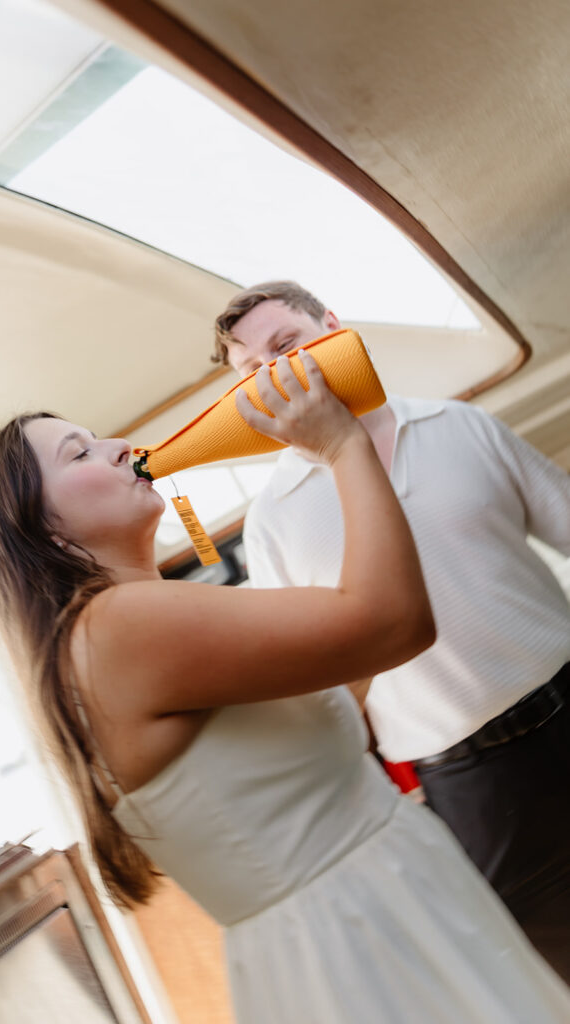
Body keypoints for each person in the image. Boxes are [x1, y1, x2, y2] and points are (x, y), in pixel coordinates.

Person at [0, 355, 570, 1022]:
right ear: (43, 530)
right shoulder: (115, 626)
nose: (120, 449)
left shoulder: (135, 623)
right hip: (356, 938)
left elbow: (347, 674)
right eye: (80, 453)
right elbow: (393, 625)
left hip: (389, 907)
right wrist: (340, 446)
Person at [213, 279, 570, 980]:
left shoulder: (458, 425)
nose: (275, 373)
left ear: (334, 327)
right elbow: (320, 687)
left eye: (285, 345)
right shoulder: (274, 518)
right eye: (252, 371)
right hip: (471, 787)